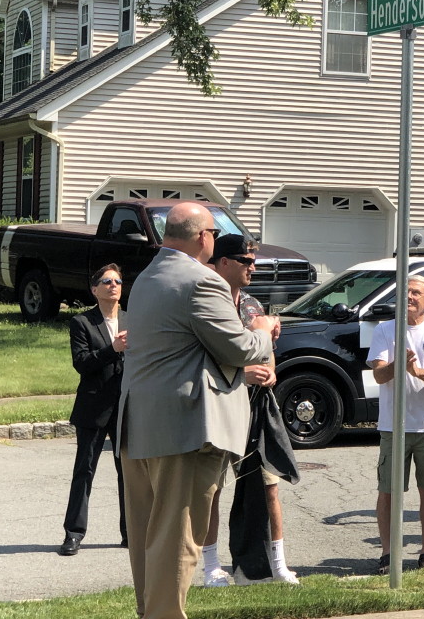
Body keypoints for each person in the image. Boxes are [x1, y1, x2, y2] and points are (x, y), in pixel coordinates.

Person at [118, 202, 278, 619]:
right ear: (204, 237)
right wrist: (262, 332)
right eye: (212, 231)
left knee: (148, 536)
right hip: (186, 428)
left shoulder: (147, 277)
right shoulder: (201, 281)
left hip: (140, 425)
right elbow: (239, 348)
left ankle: (151, 612)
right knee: (178, 538)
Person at [201, 234, 297, 586]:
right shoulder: (208, 302)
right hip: (220, 407)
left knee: (269, 485)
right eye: (246, 261)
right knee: (212, 488)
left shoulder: (254, 305)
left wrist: (269, 369)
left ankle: (278, 564)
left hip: (256, 409)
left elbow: (267, 352)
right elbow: (201, 359)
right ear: (223, 262)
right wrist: (241, 375)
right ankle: (211, 567)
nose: (252, 268)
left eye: (254, 261)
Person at [367, 276, 424, 574]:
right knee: (388, 492)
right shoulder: (385, 329)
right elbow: (380, 376)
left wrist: (416, 371)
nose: (409, 296)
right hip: (393, 427)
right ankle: (387, 554)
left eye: (416, 292)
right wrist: (398, 366)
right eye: (405, 292)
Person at [58, 263, 128, 557]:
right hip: (93, 407)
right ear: (94, 289)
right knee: (84, 471)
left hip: (127, 407)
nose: (113, 285)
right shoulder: (82, 323)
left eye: (117, 281)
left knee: (129, 474)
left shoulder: (133, 319)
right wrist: (113, 348)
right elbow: (82, 363)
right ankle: (73, 533)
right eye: (107, 281)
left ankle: (132, 533)